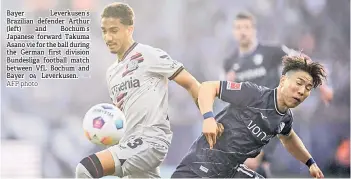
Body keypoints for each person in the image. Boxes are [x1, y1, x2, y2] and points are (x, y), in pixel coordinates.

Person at [75, 2, 200, 178]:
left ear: (129, 29)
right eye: (105, 31)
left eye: (114, 30)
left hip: (150, 142)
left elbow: (191, 84)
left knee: (85, 168)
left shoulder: (149, 55)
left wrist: (209, 118)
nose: (108, 37)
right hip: (130, 143)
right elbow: (122, 115)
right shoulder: (112, 72)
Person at [172, 55, 326, 178]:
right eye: (299, 83)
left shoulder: (284, 119)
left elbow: (289, 137)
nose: (302, 91)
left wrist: (310, 162)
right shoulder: (254, 94)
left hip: (229, 171)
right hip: (199, 166)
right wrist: (208, 118)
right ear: (283, 80)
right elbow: (208, 87)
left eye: (308, 88)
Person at [222, 12, 333, 177]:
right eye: (238, 28)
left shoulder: (270, 51)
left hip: (270, 115)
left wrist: (322, 86)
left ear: (254, 30)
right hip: (245, 121)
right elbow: (228, 91)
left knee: (251, 163)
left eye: (246, 27)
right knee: (258, 167)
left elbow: (300, 59)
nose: (243, 31)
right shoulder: (230, 62)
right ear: (233, 32)